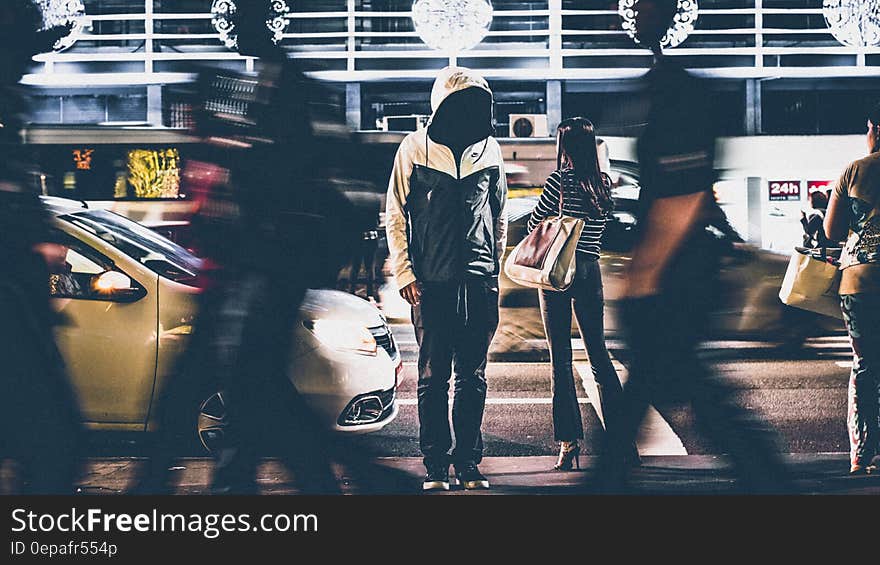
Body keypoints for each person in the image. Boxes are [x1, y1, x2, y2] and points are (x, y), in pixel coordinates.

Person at [593, 0, 790, 493]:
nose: (634, 13)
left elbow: (683, 194)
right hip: (685, 269)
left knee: (681, 388)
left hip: (677, 275)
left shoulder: (676, 94)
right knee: (682, 388)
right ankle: (765, 477)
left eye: (643, 6)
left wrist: (644, 276)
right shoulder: (667, 86)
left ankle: (768, 479)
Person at [386, 66, 507, 491]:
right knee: (433, 377)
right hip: (431, 283)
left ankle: (469, 463)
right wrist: (404, 270)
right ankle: (435, 464)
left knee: (472, 377)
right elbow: (395, 213)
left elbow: (499, 212)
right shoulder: (413, 147)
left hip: (478, 281)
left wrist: (493, 268)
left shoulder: (490, 150)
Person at [0, 0, 83, 494]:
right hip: (12, 288)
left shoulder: (11, 102)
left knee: (48, 442)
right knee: (54, 441)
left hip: (18, 285)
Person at [527, 118, 633, 471]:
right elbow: (603, 226)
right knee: (599, 358)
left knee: (560, 358)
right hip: (590, 270)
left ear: (565, 147)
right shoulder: (602, 184)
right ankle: (622, 441)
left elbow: (535, 225)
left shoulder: (559, 182)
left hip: (559, 272)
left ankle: (569, 444)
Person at [823, 103, 880, 475]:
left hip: (861, 283)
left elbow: (831, 231)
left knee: (866, 366)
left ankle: (862, 454)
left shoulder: (855, 170)